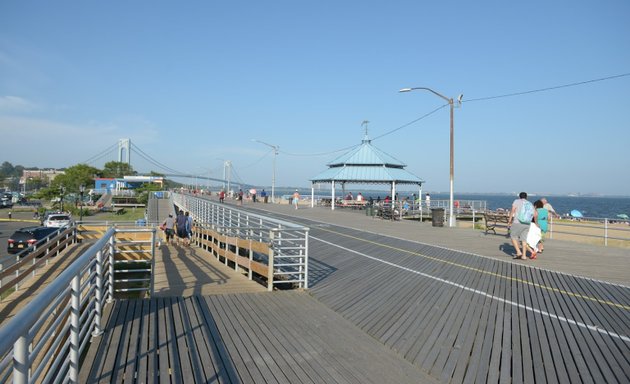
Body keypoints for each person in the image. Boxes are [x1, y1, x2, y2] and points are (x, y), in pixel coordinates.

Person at [507, 192, 538, 260]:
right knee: (524, 240)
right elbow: (535, 214)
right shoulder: (530, 203)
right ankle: (524, 256)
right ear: (526, 197)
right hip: (527, 224)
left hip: (517, 222)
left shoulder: (516, 201)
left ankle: (519, 252)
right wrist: (535, 222)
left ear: (519, 196)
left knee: (513, 236)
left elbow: (513, 210)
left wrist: (509, 220)